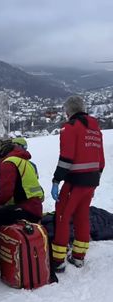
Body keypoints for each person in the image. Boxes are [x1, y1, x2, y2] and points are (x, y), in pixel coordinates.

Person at [51, 95, 105, 272]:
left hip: (75, 181)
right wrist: (94, 179)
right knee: (82, 216)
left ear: (68, 111)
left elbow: (66, 158)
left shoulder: (70, 128)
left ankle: (58, 260)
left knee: (62, 216)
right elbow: (101, 161)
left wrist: (56, 180)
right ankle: (78, 256)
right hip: (91, 181)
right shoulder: (96, 129)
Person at [0, 137, 44, 230]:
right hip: (35, 208)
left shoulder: (8, 163)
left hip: (25, 209)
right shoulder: (23, 161)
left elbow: (6, 193)